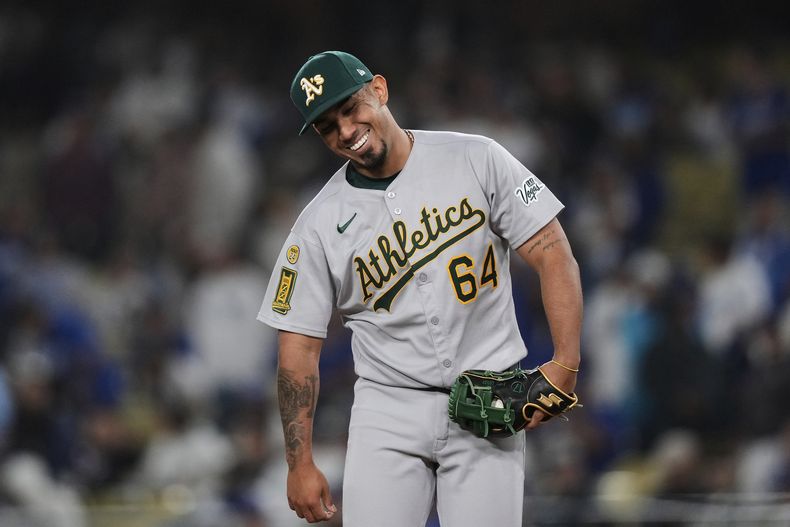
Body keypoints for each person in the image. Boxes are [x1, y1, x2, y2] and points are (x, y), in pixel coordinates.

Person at [257, 50, 583, 526]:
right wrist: (298, 462)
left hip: (488, 398)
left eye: (350, 108)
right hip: (387, 412)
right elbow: (297, 348)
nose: (345, 130)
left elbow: (553, 249)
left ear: (380, 90)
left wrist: (566, 361)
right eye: (328, 126)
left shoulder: (476, 157)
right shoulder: (317, 225)